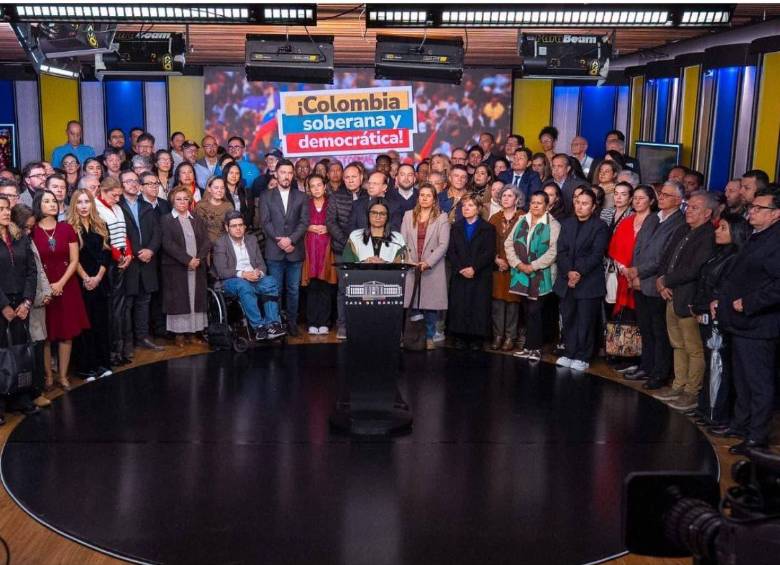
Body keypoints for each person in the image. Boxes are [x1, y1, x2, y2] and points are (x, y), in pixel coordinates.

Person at [716, 186, 780, 455]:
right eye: (751, 207)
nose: (751, 212)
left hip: (759, 324)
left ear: (776, 214)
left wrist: (749, 302)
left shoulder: (775, 242)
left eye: (758, 208)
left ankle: (757, 436)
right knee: (741, 379)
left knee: (758, 383)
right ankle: (740, 424)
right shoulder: (757, 236)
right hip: (739, 322)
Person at [654, 191, 718, 412]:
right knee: (677, 344)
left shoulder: (709, 235)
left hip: (689, 298)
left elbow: (695, 269)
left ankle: (691, 392)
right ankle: (678, 385)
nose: (688, 211)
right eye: (688, 206)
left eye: (694, 208)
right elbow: (665, 258)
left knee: (693, 348)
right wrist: (662, 282)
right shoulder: (683, 229)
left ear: (708, 213)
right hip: (671, 295)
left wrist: (666, 279)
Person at [690, 213, 751, 430]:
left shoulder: (736, 258)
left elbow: (724, 289)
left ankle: (717, 413)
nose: (717, 231)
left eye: (723, 228)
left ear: (736, 233)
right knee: (712, 364)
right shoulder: (718, 254)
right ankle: (706, 407)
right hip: (705, 314)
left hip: (720, 318)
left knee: (719, 366)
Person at [624, 182, 684, 388]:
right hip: (638, 281)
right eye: (661, 194)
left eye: (667, 195)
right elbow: (638, 246)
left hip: (656, 284)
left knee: (659, 331)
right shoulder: (653, 217)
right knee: (645, 328)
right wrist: (633, 270)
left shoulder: (679, 223)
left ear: (678, 200)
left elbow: (663, 257)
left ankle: (659, 373)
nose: (661, 197)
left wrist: (639, 272)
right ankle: (646, 366)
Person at [31, 189, 90, 391]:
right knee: (46, 335)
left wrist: (61, 283)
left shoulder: (66, 229)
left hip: (67, 286)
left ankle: (63, 376)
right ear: (38, 205)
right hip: (42, 288)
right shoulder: (32, 231)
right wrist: (49, 286)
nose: (52, 204)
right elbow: (32, 265)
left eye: (54, 201)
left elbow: (74, 260)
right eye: (47, 201)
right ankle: (48, 376)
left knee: (66, 333)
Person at [553, 188, 610, 372]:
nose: (580, 206)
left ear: (593, 206)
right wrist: (569, 271)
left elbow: (596, 254)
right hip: (566, 279)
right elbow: (561, 251)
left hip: (588, 281)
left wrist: (578, 272)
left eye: (585, 204)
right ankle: (569, 352)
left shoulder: (600, 226)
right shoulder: (567, 223)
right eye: (577, 202)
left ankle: (583, 356)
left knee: (585, 320)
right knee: (568, 318)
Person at [212, 211, 286, 341]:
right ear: (226, 227)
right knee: (244, 285)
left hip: (253, 277)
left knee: (270, 281)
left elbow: (262, 265)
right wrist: (243, 274)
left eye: (240, 225)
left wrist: (259, 272)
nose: (238, 228)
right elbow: (221, 271)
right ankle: (259, 326)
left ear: (245, 226)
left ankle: (272, 324)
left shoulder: (251, 240)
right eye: (234, 226)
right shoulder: (221, 243)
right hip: (231, 280)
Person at [506, 190, 561, 362]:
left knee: (535, 311)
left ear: (547, 205)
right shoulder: (522, 220)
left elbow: (553, 251)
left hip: (541, 276)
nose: (535, 205)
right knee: (526, 311)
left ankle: (535, 348)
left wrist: (533, 266)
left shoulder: (553, 224)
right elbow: (509, 243)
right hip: (521, 274)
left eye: (539, 202)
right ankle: (528, 347)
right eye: (533, 202)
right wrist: (518, 264)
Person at [258, 159, 309, 336]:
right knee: (276, 290)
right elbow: (265, 222)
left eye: (289, 173)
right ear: (276, 174)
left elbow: (304, 222)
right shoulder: (266, 195)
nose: (286, 176)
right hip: (274, 250)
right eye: (283, 172)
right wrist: (280, 241)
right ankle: (276, 323)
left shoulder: (302, 196)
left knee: (294, 290)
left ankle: (293, 323)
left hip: (295, 250)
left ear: (292, 175)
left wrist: (291, 240)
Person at [0, 195, 38, 424]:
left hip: (21, 303)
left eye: (6, 208)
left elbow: (31, 272)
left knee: (21, 351)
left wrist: (26, 302)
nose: (6, 212)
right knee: (2, 353)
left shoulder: (20, 236)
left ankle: (20, 397)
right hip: (2, 305)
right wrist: (3, 305)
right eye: (0, 209)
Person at [68, 189, 112, 381]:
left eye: (87, 202)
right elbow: (72, 259)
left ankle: (103, 364)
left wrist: (98, 277)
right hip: (80, 284)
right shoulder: (69, 228)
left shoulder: (101, 225)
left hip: (100, 282)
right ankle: (87, 368)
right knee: (85, 326)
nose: (84, 206)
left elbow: (106, 254)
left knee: (101, 324)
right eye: (80, 202)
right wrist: (86, 278)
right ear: (74, 205)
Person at [11, 204, 53, 409]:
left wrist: (41, 293)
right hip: (20, 301)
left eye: (31, 227)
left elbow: (35, 270)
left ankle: (34, 391)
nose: (29, 231)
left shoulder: (25, 239)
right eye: (26, 227)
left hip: (32, 299)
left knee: (35, 346)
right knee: (24, 349)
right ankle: (25, 393)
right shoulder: (15, 241)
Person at [400, 184, 451, 350]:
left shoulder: (442, 217)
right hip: (412, 265)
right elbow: (402, 242)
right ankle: (415, 337)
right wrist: (409, 260)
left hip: (431, 267)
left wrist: (428, 262)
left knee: (430, 306)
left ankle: (429, 336)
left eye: (428, 195)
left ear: (434, 199)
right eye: (422, 195)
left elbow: (443, 245)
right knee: (413, 304)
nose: (424, 198)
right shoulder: (408, 216)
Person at [161, 186, 211, 346]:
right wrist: (187, 260)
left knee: (195, 299)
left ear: (190, 201)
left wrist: (198, 259)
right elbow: (168, 244)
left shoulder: (196, 218)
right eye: (178, 199)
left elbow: (206, 241)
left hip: (197, 267)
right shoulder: (166, 220)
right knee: (179, 300)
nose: (182, 202)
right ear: (172, 201)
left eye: (185, 199)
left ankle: (193, 333)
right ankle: (179, 335)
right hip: (177, 268)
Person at [119, 170, 163, 354]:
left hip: (148, 261)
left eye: (136, 181)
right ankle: (127, 341)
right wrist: (138, 252)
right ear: (121, 185)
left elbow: (157, 232)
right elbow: (122, 235)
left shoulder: (147, 206)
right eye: (128, 181)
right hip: (129, 262)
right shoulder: (117, 206)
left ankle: (143, 337)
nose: (133, 184)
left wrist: (151, 250)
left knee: (144, 301)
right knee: (128, 303)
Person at [446, 194, 496, 350]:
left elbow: (488, 252)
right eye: (464, 205)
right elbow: (451, 251)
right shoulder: (456, 227)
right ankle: (460, 336)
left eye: (471, 205)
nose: (466, 208)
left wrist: (474, 268)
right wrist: (461, 268)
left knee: (478, 306)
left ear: (478, 208)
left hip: (479, 274)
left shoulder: (488, 228)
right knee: (459, 305)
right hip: (460, 273)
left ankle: (476, 338)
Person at [95, 177, 133, 366]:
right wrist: (119, 257)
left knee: (120, 308)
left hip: (121, 262)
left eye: (119, 195)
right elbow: (104, 240)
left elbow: (123, 234)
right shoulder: (96, 208)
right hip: (108, 264)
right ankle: (111, 352)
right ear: (103, 190)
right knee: (111, 310)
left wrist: (129, 255)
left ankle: (120, 350)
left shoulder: (117, 208)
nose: (117, 198)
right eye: (114, 194)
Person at [326, 163, 364, 340]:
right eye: (347, 177)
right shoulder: (335, 196)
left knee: (364, 288)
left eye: (353, 177)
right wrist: (347, 242)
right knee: (344, 288)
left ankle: (362, 323)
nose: (350, 180)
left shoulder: (368, 195)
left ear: (361, 177)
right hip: (343, 249)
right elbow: (331, 223)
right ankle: (343, 325)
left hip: (366, 251)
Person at [301, 175, 337, 335]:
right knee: (312, 286)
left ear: (324, 186)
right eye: (312, 186)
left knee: (325, 286)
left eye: (318, 185)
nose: (316, 188)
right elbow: (298, 222)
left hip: (327, 250)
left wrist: (328, 228)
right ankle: (312, 322)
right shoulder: (305, 204)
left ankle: (324, 322)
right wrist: (308, 227)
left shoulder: (331, 203)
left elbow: (337, 222)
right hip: (309, 249)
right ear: (309, 188)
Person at [488, 186, 523, 351]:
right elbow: (486, 243)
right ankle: (498, 336)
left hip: (516, 268)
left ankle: (510, 337)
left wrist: (511, 262)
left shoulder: (524, 217)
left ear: (517, 199)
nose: (506, 198)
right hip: (497, 267)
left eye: (510, 196)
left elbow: (527, 244)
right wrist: (496, 259)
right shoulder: (494, 218)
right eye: (504, 196)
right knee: (498, 304)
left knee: (513, 305)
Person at [343, 198, 406, 263]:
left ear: (387, 217)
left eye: (382, 213)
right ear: (368, 215)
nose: (378, 217)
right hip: (362, 273)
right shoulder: (355, 236)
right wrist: (365, 263)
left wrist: (385, 264)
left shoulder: (397, 239)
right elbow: (347, 264)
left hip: (388, 273)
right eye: (374, 213)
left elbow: (403, 265)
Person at [195, 176, 233, 243]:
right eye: (216, 188)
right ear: (209, 189)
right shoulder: (200, 205)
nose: (219, 190)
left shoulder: (228, 206)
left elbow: (231, 228)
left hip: (222, 244)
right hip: (202, 243)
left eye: (222, 188)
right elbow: (195, 227)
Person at [221, 161, 253, 229]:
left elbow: (250, 213)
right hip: (224, 230)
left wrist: (243, 226)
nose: (234, 176)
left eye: (237, 173)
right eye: (231, 173)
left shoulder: (246, 192)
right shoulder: (220, 192)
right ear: (225, 173)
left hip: (243, 229)